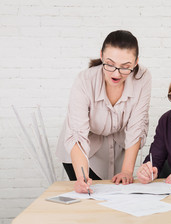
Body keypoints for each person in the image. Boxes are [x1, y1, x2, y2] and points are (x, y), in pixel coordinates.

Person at [56, 30, 151, 193]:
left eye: (125, 67)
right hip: (84, 151)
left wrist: (127, 171)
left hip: (118, 149)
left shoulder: (142, 78)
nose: (116, 73)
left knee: (117, 199)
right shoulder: (84, 80)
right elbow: (78, 135)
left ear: (136, 63)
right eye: (110, 64)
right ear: (101, 56)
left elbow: (137, 125)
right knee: (90, 198)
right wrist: (82, 179)